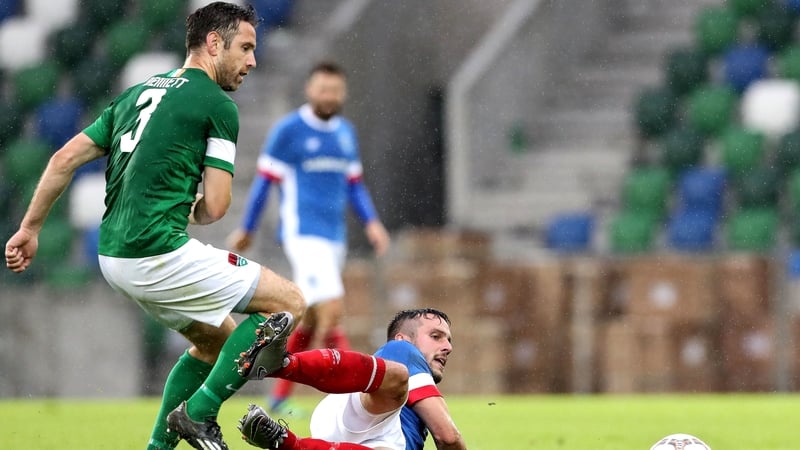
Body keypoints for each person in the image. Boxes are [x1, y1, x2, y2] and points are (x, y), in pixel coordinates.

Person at [4, 3, 305, 450]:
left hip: (112, 256)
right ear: (214, 43)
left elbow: (62, 158)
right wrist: (194, 209)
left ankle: (158, 447)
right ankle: (199, 416)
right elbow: (218, 206)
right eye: (245, 48)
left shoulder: (135, 94)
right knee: (289, 304)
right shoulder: (216, 104)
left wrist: (29, 230)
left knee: (215, 342)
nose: (252, 61)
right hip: (156, 252)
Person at [227, 60, 391, 414]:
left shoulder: (345, 133)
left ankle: (280, 396)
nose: (328, 96)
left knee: (314, 317)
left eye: (335, 90)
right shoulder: (289, 131)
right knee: (334, 309)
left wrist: (372, 222)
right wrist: (248, 228)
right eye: (322, 89)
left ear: (342, 93)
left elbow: (354, 184)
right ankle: (356, 397)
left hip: (334, 238)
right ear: (310, 90)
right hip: (304, 234)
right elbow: (264, 182)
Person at [236, 308, 468, 450]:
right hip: (367, 410)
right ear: (403, 337)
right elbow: (448, 438)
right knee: (398, 375)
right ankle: (282, 364)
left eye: (449, 341)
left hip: (347, 437)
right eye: (436, 336)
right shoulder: (403, 350)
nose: (447, 347)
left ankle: (283, 441)